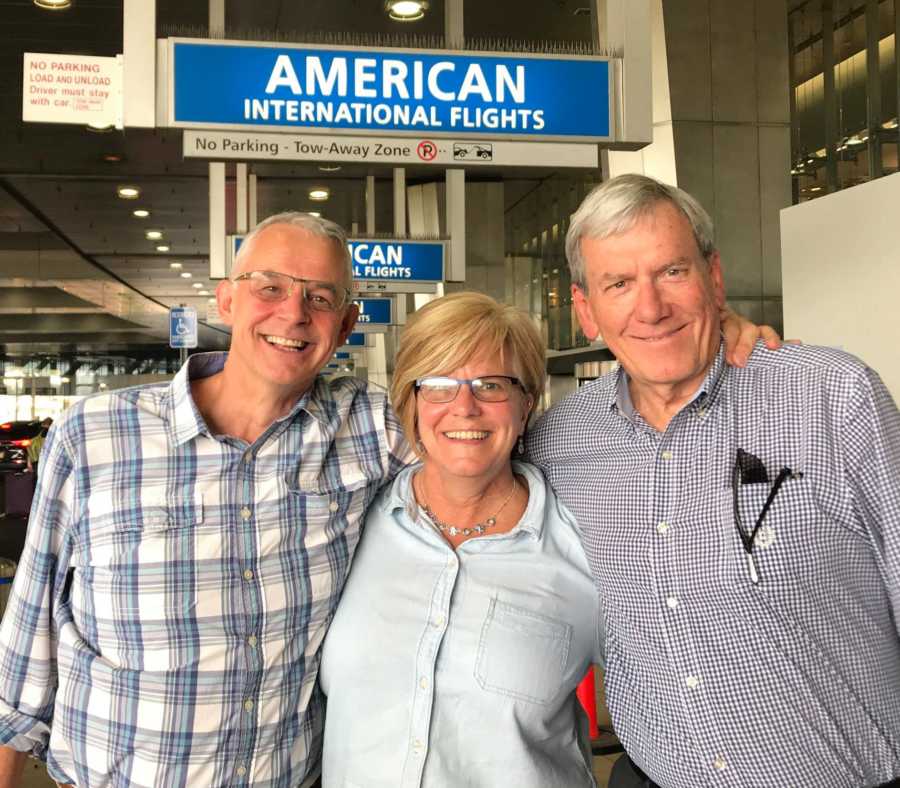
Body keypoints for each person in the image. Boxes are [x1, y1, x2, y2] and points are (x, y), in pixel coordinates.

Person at [0, 212, 412, 787]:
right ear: (227, 301)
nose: (293, 313)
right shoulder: (95, 434)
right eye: (270, 287)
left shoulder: (372, 428)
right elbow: (31, 621)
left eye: (320, 298)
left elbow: (480, 436)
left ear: (345, 326)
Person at [528, 173, 900, 788]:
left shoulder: (833, 396)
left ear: (714, 278)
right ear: (586, 311)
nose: (650, 308)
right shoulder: (556, 443)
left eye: (671, 272)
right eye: (619, 283)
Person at [319, 291, 603, 787]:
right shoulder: (350, 524)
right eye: (439, 385)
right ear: (410, 402)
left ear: (526, 403)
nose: (465, 408)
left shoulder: (585, 545)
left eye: (491, 385)